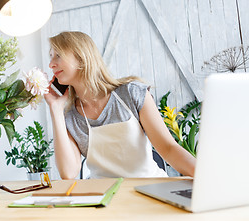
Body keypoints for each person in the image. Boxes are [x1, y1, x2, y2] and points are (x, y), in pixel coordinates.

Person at [44, 31, 196, 179]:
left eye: (58, 55)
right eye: (51, 57)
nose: (51, 64)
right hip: (105, 198)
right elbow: (68, 173)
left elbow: (169, 149)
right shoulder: (71, 117)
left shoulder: (131, 93)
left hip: (151, 190)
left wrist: (202, 175)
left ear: (82, 57)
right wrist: (55, 109)